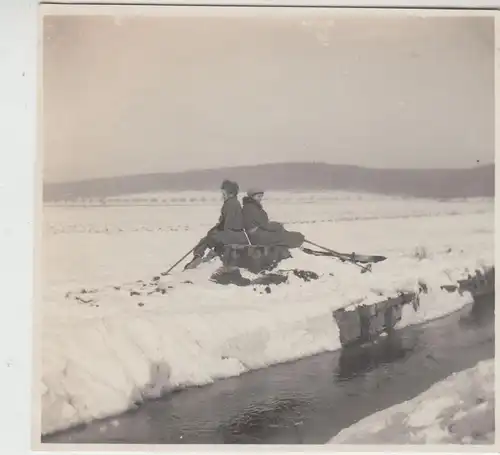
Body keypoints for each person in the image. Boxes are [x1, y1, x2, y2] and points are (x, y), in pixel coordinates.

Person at [184, 180, 247, 270]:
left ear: (231, 193)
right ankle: (206, 256)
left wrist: (218, 231)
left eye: (224, 193)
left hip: (232, 234)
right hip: (234, 233)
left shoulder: (231, 204)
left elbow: (228, 223)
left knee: (207, 239)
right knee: (210, 236)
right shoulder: (232, 203)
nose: (222, 195)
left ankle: (198, 257)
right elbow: (224, 221)